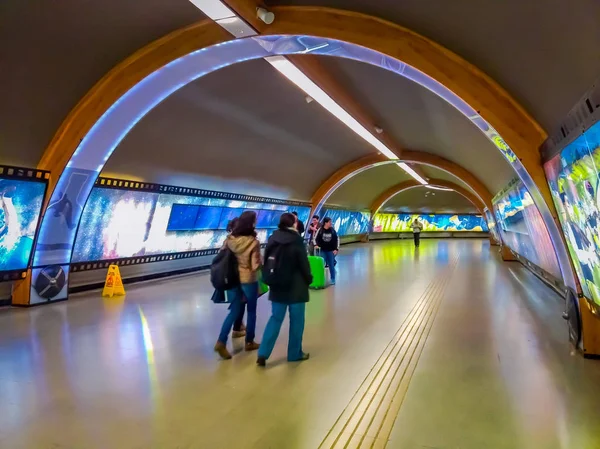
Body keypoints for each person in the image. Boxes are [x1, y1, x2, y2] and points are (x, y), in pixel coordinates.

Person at [257, 213, 312, 366]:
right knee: (297, 322)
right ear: (293, 224)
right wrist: (309, 279)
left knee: (275, 319)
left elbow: (266, 261)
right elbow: (303, 264)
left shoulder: (273, 238)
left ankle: (263, 353)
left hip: (277, 286)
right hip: (296, 287)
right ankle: (294, 353)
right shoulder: (297, 240)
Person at [214, 211, 262, 359]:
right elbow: (254, 265)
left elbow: (221, 255)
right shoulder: (253, 242)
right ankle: (249, 342)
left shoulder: (229, 240)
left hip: (233, 279)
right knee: (252, 311)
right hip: (248, 280)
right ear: (252, 223)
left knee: (234, 311)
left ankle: (221, 341)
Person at [225, 218, 246, 339]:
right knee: (240, 303)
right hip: (239, 276)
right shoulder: (240, 241)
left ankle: (239, 324)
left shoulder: (227, 240)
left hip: (229, 276)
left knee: (238, 302)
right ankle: (236, 329)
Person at [315, 217, 339, 285]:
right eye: (329, 222)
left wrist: (336, 249)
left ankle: (333, 279)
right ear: (325, 223)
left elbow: (336, 239)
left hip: (330, 250)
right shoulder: (320, 230)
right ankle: (321, 279)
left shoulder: (332, 230)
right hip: (322, 250)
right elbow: (316, 238)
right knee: (321, 265)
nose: (331, 223)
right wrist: (316, 245)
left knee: (331, 265)